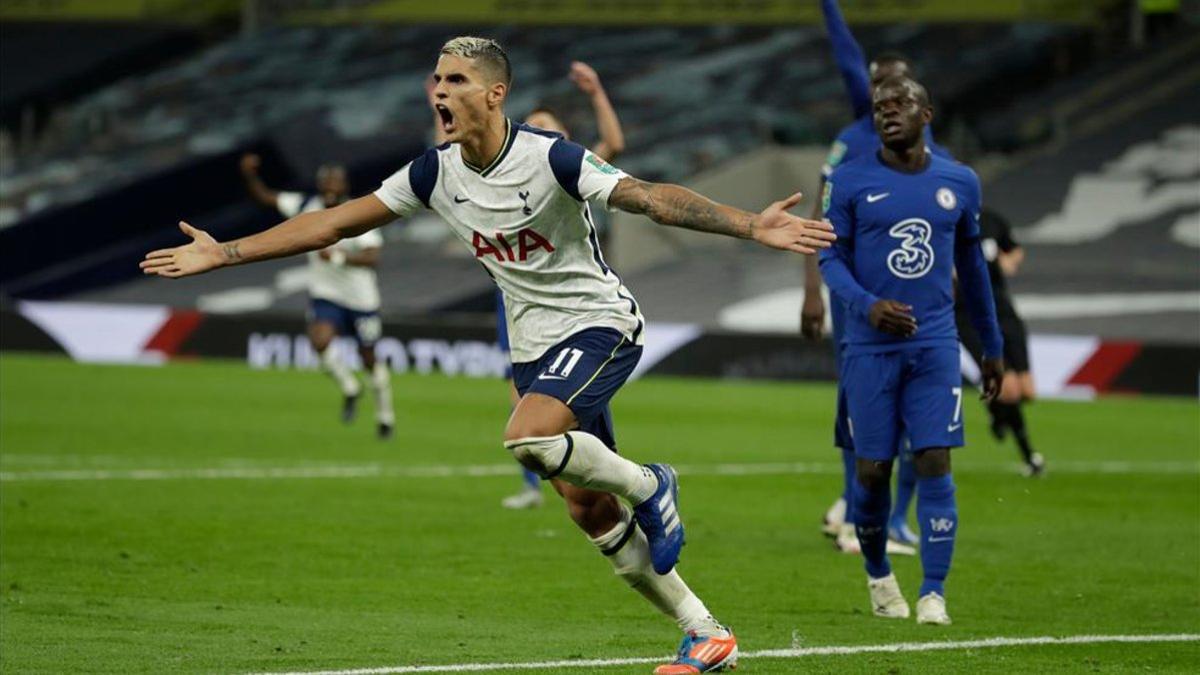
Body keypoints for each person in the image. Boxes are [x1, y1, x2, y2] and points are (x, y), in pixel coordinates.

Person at [143, 36, 836, 673]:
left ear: (493, 94)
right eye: (435, 79)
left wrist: (750, 223)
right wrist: (226, 252)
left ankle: (654, 484)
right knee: (587, 511)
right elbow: (331, 219)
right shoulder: (434, 173)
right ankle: (704, 629)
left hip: (599, 325)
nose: (439, 92)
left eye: (456, 80)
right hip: (533, 348)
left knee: (527, 437)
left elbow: (646, 197)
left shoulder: (550, 157)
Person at [819, 75, 1003, 625]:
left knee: (933, 459)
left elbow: (973, 270)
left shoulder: (960, 181)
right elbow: (830, 259)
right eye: (879, 107)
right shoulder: (848, 180)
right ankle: (879, 577)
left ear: (927, 114)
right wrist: (867, 305)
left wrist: (991, 348)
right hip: (869, 348)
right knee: (872, 474)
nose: (887, 112)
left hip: (935, 343)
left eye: (900, 104)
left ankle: (933, 593)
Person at [805, 0, 950, 553]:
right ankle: (861, 515)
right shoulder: (852, 142)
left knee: (923, 417)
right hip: (861, 299)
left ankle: (882, 518)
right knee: (862, 409)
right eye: (878, 87)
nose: (887, 97)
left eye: (899, 90)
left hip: (920, 297)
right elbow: (820, 222)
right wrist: (814, 291)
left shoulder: (929, 151)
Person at [501, 60, 627, 510]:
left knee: (568, 410)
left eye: (546, 128)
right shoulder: (501, 183)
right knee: (524, 405)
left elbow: (613, 143)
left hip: (577, 308)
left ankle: (623, 484)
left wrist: (596, 92)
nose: (535, 135)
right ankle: (538, 487)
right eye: (528, 128)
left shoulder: (571, 170)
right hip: (519, 306)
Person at [239, 154, 395, 439]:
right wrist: (249, 175)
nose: (331, 187)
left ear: (345, 185)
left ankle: (385, 416)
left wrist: (337, 257)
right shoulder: (305, 207)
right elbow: (265, 198)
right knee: (320, 340)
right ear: (320, 185)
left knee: (369, 358)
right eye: (326, 182)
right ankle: (350, 387)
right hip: (327, 294)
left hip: (362, 300)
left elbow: (373, 258)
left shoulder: (358, 212)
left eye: (336, 182)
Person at [955, 207, 1044, 476]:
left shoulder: (992, 220)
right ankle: (1030, 457)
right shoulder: (943, 220)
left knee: (1027, 391)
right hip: (968, 312)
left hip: (1001, 309)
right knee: (1008, 388)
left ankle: (996, 410)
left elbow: (1014, 249)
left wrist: (1009, 260)